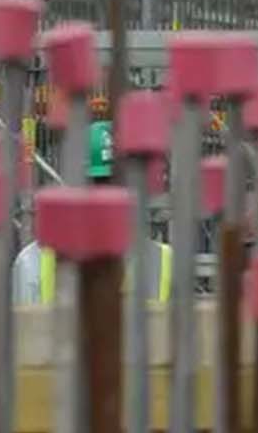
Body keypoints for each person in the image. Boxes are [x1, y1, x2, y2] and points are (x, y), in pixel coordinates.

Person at [9, 118, 172, 305]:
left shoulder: (164, 265)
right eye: (97, 184)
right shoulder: (33, 265)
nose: (106, 199)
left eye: (116, 187)